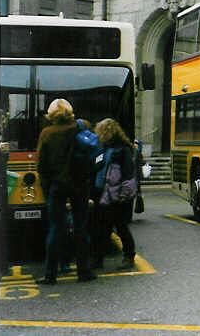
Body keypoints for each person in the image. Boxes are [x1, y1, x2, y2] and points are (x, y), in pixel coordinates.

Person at [35, 98, 95, 284]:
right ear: (71, 112)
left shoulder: (47, 133)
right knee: (80, 228)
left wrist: (49, 184)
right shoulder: (82, 126)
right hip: (80, 185)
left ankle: (50, 275)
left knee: (56, 229)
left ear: (50, 115)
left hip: (57, 186)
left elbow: (41, 166)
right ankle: (84, 272)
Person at [92, 118, 137, 271]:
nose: (100, 135)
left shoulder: (122, 150)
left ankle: (128, 256)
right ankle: (98, 259)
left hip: (116, 196)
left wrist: (124, 195)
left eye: (102, 131)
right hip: (104, 194)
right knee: (102, 229)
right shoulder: (104, 148)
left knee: (120, 227)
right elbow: (97, 166)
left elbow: (128, 174)